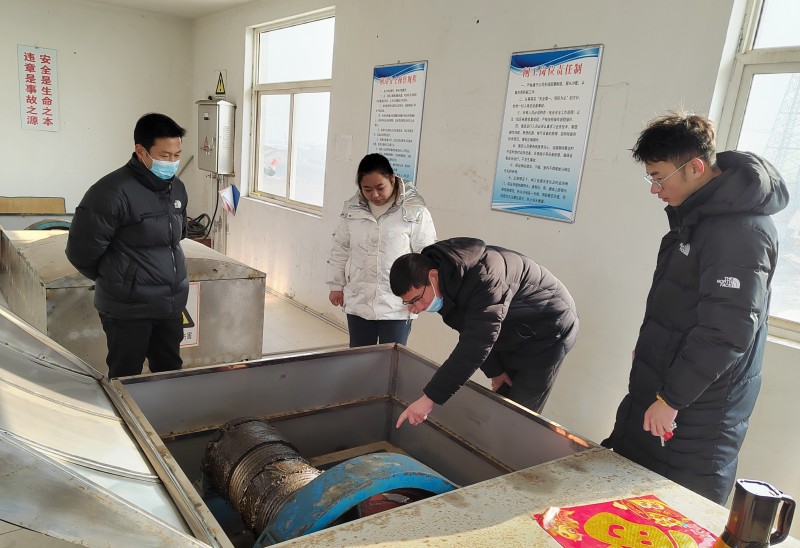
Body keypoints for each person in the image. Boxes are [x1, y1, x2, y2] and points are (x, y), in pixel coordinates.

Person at [602, 112, 789, 504]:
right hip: (670, 384)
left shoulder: (740, 232)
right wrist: (651, 349)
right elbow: (681, 302)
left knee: (680, 510)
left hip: (701, 407)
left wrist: (672, 399)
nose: (654, 189)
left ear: (695, 168)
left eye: (658, 177)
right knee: (631, 502)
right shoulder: (700, 217)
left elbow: (726, 331)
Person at [389, 237, 578, 427]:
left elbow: (475, 344)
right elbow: (470, 330)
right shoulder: (447, 281)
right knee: (503, 399)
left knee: (518, 416)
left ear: (433, 276)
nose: (416, 309)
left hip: (549, 331)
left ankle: (516, 443)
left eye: (417, 299)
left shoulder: (485, 278)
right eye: (409, 303)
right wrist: (496, 371)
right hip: (512, 331)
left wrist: (428, 400)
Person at [66, 113, 190, 379]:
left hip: (170, 305)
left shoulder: (177, 189)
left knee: (170, 373)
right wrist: (121, 280)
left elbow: (176, 237)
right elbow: (81, 252)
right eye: (164, 155)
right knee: (126, 377)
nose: (172, 162)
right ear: (141, 151)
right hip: (128, 309)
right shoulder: (111, 192)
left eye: (177, 155)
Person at [326, 153, 436, 347]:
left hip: (398, 304)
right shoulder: (352, 210)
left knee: (391, 358)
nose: (375, 195)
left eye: (380, 187)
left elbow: (427, 256)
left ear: (392, 179)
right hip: (359, 300)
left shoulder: (414, 211)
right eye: (367, 189)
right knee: (359, 356)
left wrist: (422, 296)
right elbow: (340, 248)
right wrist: (336, 285)